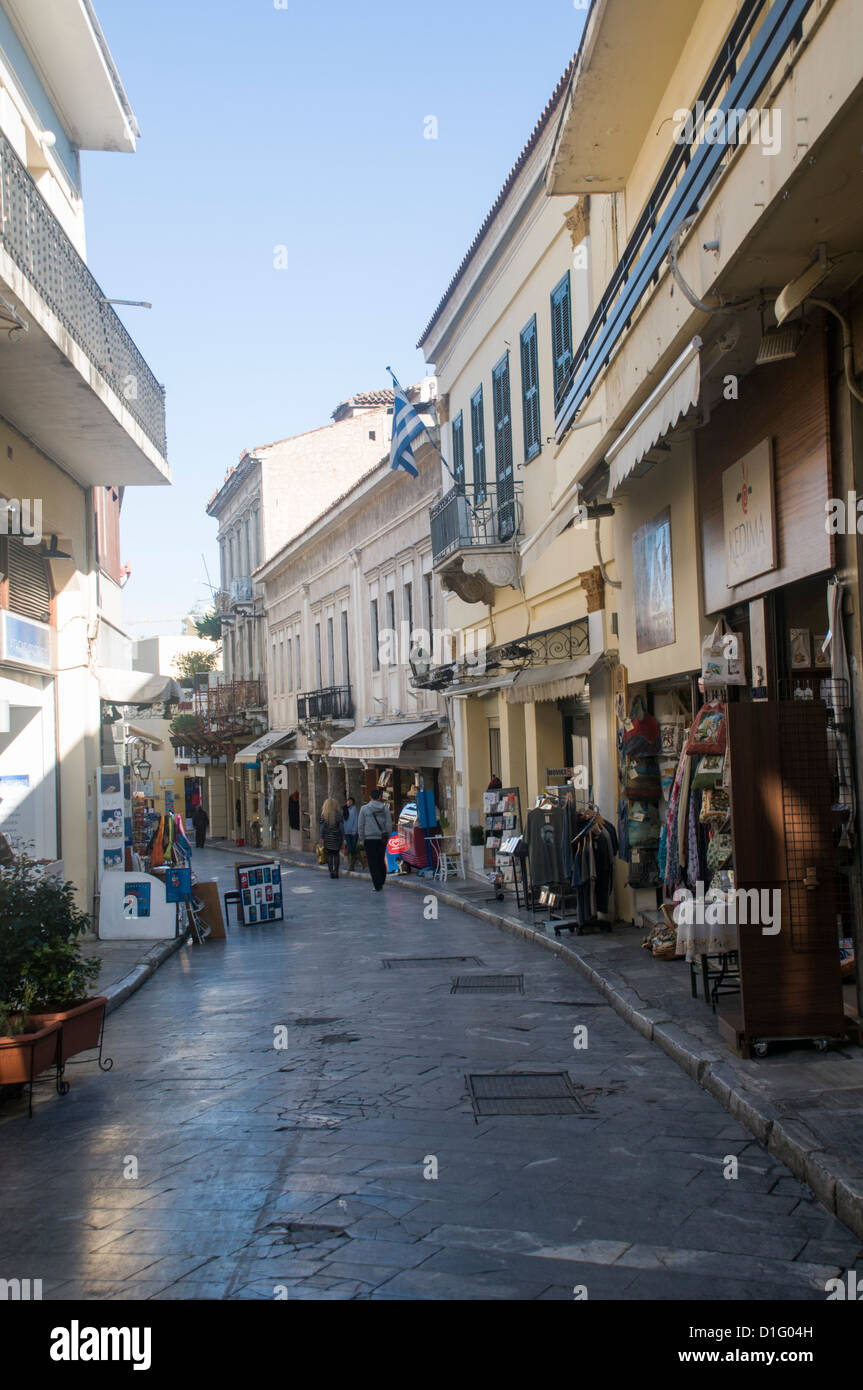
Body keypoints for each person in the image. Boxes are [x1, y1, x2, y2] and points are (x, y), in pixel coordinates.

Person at [357, 788, 392, 892]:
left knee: (372, 862)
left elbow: (360, 825)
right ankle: (381, 880)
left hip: (369, 838)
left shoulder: (364, 809)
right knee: (381, 859)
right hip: (381, 838)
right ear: (380, 797)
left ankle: (377, 884)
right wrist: (387, 836)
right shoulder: (385, 809)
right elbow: (388, 824)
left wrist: (362, 838)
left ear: (370, 797)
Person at [319, 798, 344, 879]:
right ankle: (336, 871)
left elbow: (322, 827)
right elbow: (341, 827)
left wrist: (321, 837)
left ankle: (331, 872)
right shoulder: (338, 815)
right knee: (336, 854)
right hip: (337, 837)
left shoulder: (324, 815)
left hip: (327, 838)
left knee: (329, 855)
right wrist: (343, 836)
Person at [342, 796, 359, 870]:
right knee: (350, 847)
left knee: (353, 847)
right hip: (346, 832)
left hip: (353, 832)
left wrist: (354, 831)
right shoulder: (343, 809)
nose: (349, 803)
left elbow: (356, 820)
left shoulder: (354, 809)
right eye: (348, 801)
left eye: (351, 802)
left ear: (353, 803)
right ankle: (356, 858)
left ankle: (352, 865)